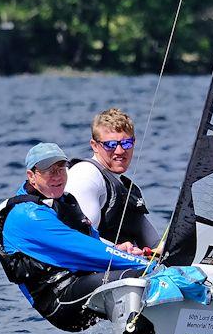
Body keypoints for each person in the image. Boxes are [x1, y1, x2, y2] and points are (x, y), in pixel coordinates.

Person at [0, 143, 153, 332]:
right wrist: (145, 265)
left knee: (141, 272)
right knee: (138, 276)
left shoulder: (64, 201)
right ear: (32, 176)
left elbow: (91, 242)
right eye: (49, 171)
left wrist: (120, 250)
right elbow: (85, 250)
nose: (58, 177)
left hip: (80, 283)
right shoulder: (28, 215)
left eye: (61, 169)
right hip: (59, 299)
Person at [65, 108, 159, 254]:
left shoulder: (125, 187)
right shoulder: (86, 175)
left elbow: (155, 244)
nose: (120, 151)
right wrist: (118, 250)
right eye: (110, 145)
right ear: (94, 145)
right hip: (92, 270)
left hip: (126, 267)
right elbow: (80, 239)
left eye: (126, 143)